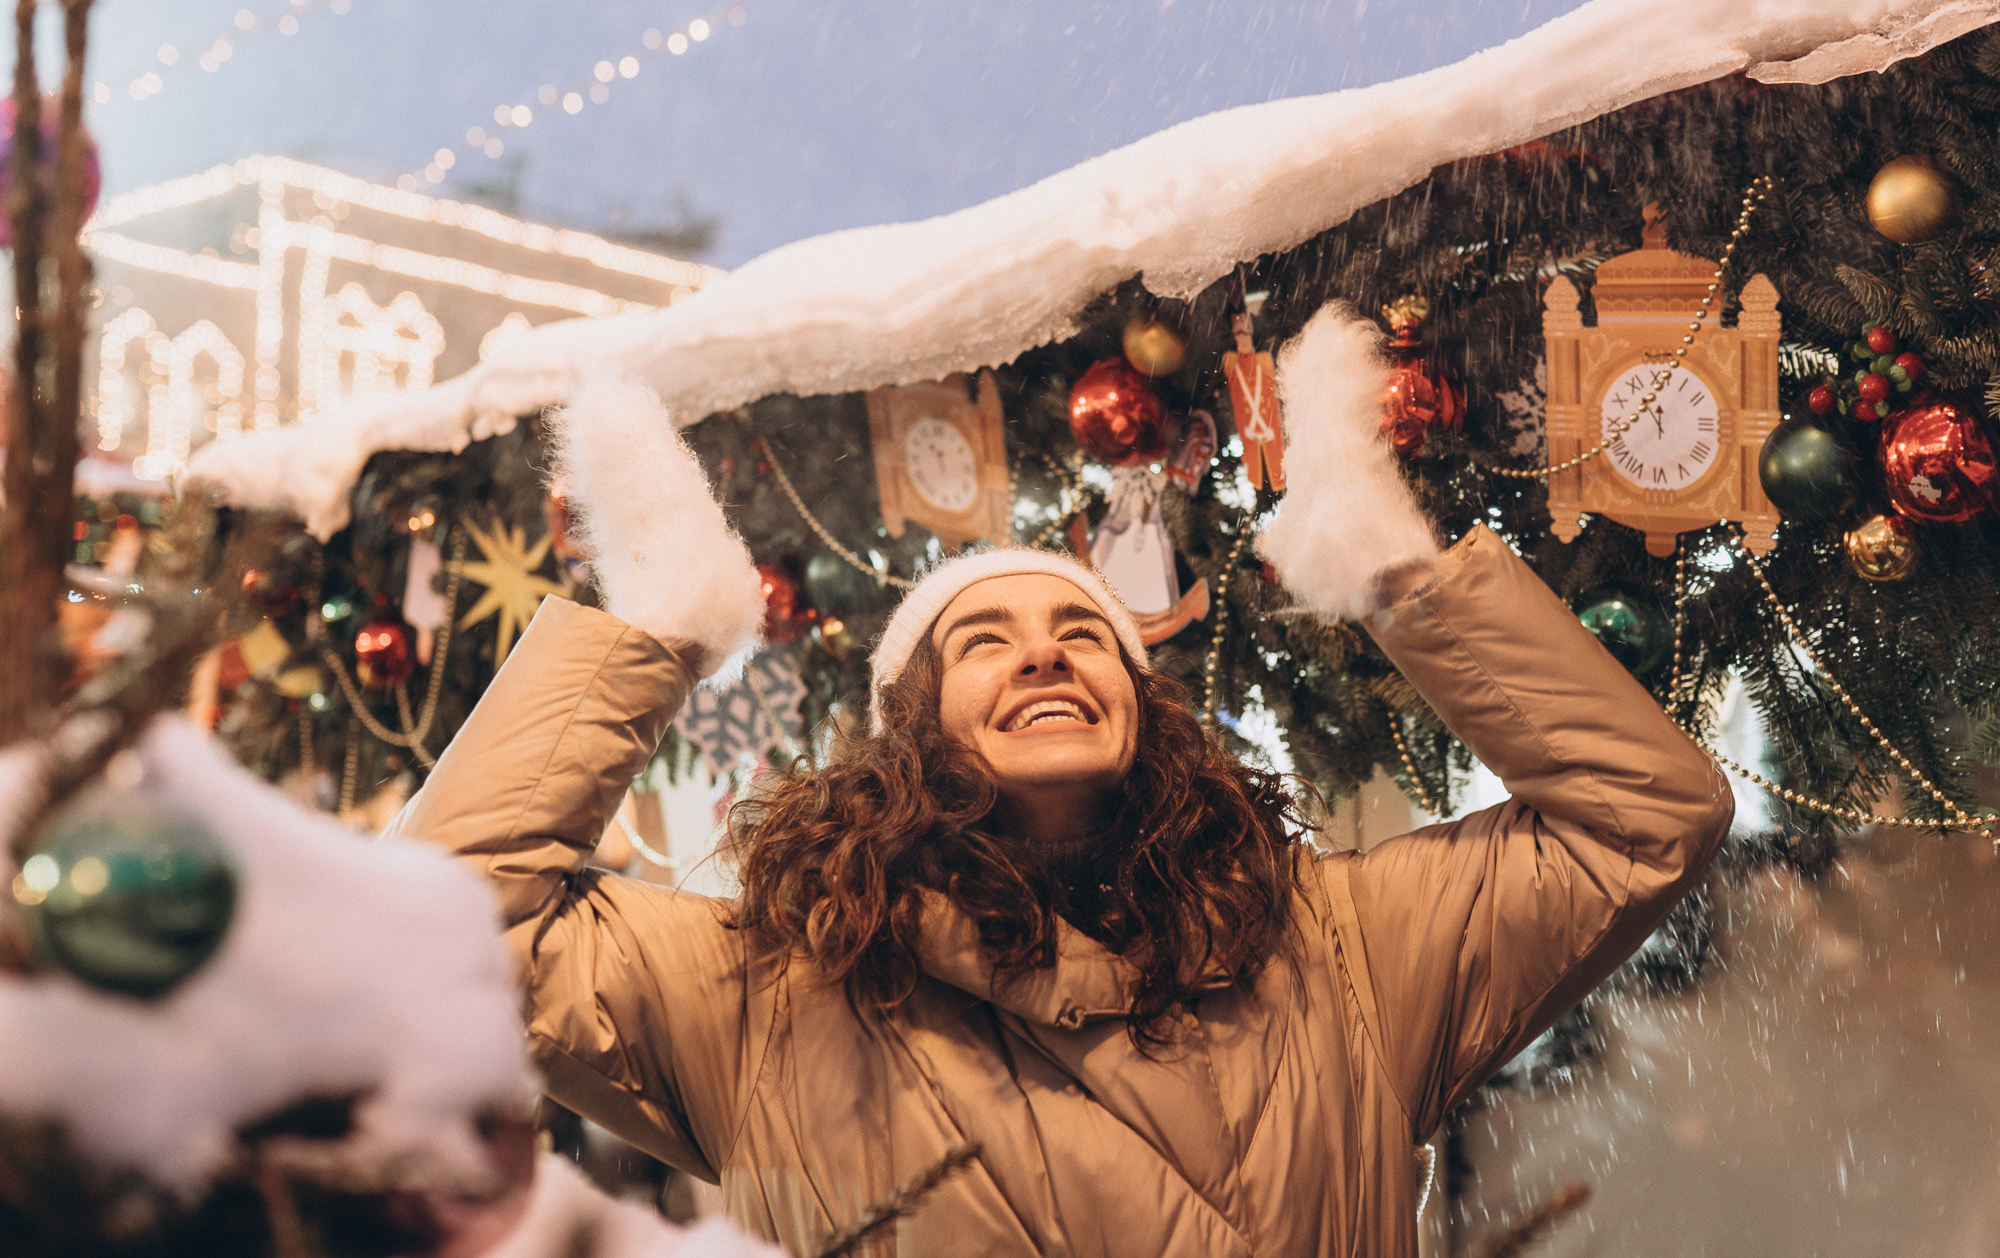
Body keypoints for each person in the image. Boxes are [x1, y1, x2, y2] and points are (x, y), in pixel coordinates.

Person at [394, 306, 1732, 1256]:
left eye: (1082, 631)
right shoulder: (760, 991)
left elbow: (1643, 815)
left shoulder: (1341, 950)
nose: (1043, 651)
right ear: (905, 727)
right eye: (983, 639)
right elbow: (443, 923)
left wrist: (1398, 574)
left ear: (1142, 708)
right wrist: (661, 630)